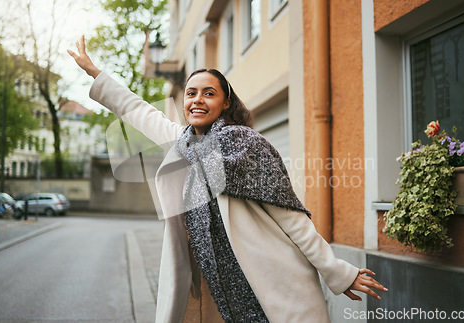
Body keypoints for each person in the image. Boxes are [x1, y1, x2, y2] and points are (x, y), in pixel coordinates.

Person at [68, 35, 387, 323]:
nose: (197, 100)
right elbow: (140, 112)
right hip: (206, 279)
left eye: (209, 93)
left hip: (259, 275)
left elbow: (293, 220)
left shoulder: (247, 146)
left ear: (226, 102)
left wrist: (338, 272)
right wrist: (96, 74)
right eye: (191, 93)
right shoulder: (182, 144)